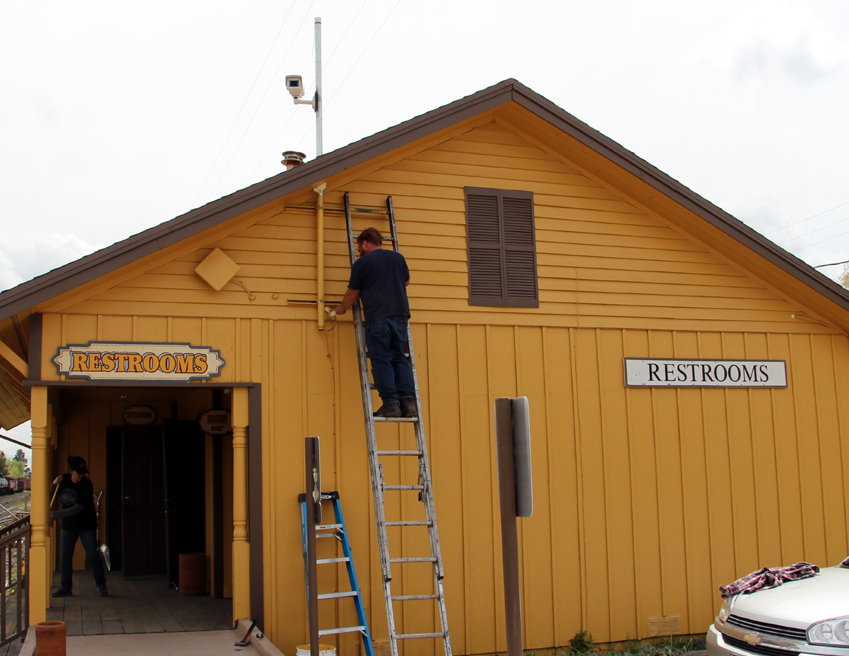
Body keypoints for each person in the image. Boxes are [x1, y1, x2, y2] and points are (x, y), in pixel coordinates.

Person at [334, 227, 417, 418]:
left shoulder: (362, 263)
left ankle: (391, 404)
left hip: (379, 315)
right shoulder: (398, 258)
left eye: (359, 246)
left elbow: (353, 294)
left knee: (381, 359)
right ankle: (408, 403)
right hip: (401, 314)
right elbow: (406, 282)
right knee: (399, 357)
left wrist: (341, 308)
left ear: (364, 243)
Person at [50, 456, 107, 597]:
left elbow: (77, 508)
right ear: (71, 471)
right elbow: (50, 495)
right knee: (65, 556)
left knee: (92, 554)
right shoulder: (63, 480)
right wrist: (54, 484)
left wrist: (54, 514)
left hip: (86, 524)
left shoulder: (86, 484)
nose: (81, 476)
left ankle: (101, 585)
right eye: (78, 473)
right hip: (69, 526)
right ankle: (66, 587)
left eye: (83, 473)